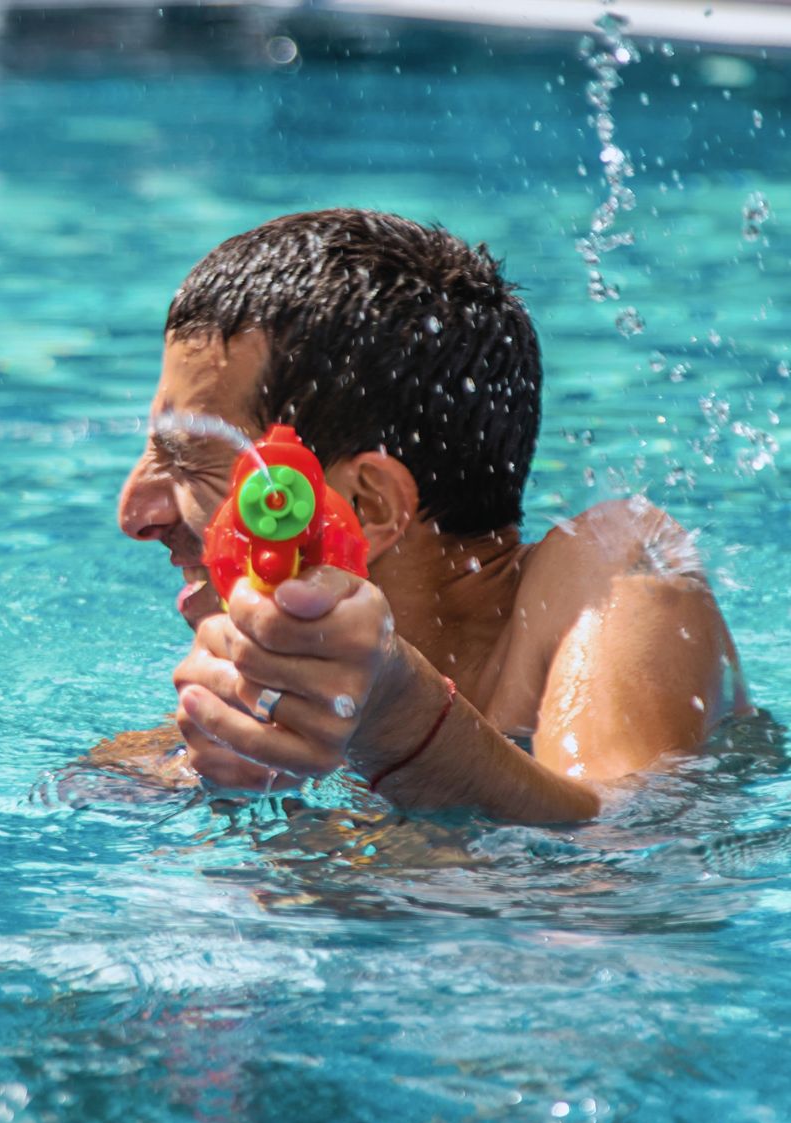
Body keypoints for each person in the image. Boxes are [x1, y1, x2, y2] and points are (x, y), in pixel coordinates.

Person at [114, 209, 746, 822]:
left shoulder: (620, 573)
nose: (135, 513)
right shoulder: (290, 691)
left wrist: (399, 716)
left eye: (191, 459)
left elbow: (621, 870)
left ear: (368, 507)